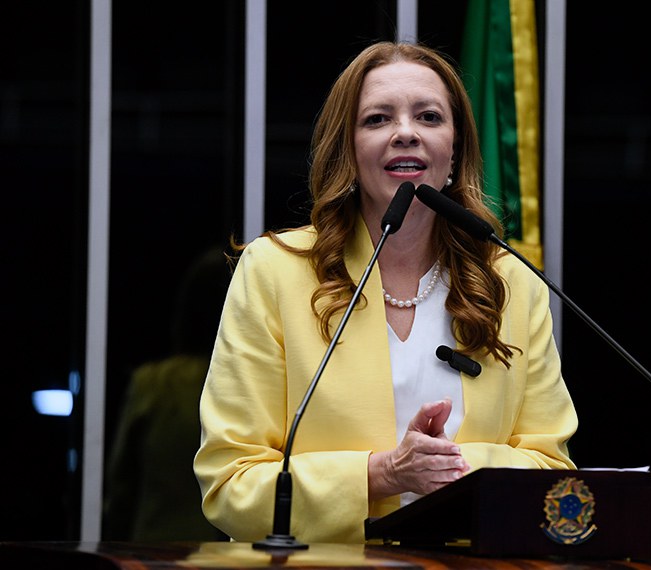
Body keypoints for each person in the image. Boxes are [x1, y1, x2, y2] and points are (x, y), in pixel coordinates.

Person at [193, 41, 577, 544]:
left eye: (429, 117)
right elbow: (231, 485)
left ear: (455, 148)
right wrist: (384, 474)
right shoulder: (275, 272)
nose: (406, 133)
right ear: (348, 149)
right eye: (378, 119)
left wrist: (450, 468)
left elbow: (552, 474)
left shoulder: (510, 281)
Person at [104, 247, 230, 541]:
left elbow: (122, 483)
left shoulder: (154, 383)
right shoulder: (252, 384)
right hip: (226, 547)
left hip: (155, 544)